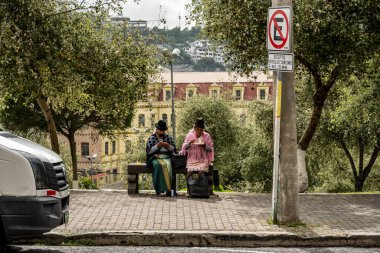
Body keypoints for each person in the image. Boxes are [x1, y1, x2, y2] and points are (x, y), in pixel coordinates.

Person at [146, 120, 176, 196]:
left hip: (166, 157)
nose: (161, 132)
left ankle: (168, 189)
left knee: (168, 165)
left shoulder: (168, 137)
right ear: (156, 130)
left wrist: (167, 145)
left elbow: (174, 149)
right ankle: (158, 189)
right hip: (155, 158)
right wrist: (157, 146)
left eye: (162, 130)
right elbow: (148, 151)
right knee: (157, 165)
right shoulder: (151, 138)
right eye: (159, 130)